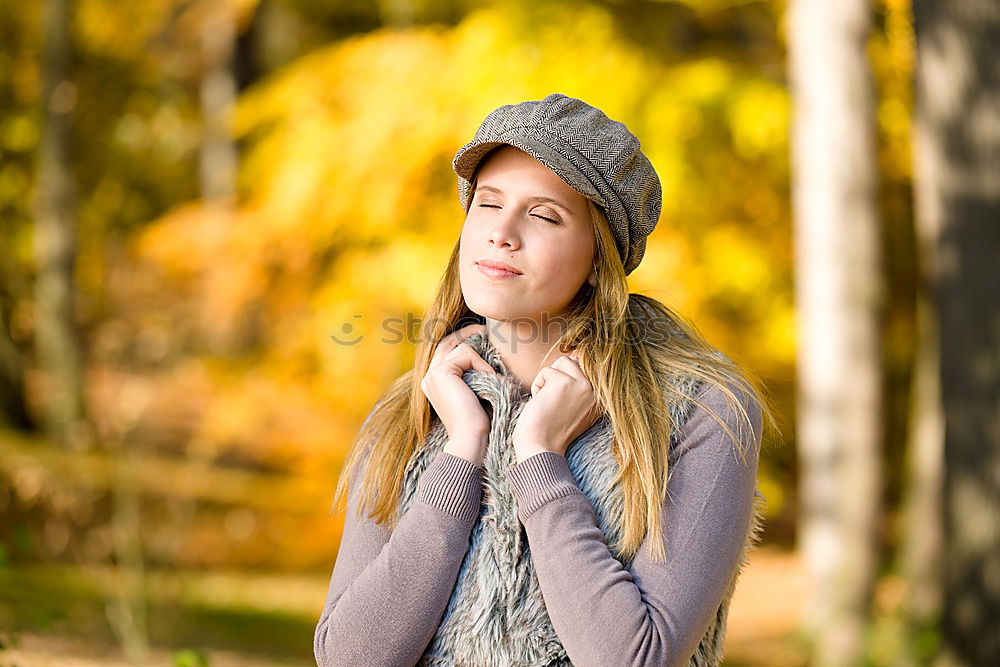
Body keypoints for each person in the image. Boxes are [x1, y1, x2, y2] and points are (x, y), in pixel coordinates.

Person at [313, 92, 777, 667]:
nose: (501, 233)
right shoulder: (411, 412)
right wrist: (461, 454)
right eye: (487, 204)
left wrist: (538, 459)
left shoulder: (699, 408)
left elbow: (633, 659)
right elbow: (351, 658)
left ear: (598, 255)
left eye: (543, 214)